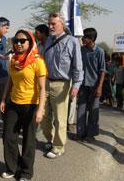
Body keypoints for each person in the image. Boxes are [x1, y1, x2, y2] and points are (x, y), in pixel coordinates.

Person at [0, 30, 46, 181]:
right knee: (8, 136)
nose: (18, 44)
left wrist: (40, 109)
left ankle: (26, 172)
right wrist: (3, 99)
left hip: (31, 105)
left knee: (28, 140)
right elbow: (10, 81)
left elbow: (42, 88)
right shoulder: (14, 60)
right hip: (14, 103)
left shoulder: (37, 61)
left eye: (22, 41)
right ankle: (13, 167)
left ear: (30, 42)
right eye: (16, 41)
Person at [41, 12, 83, 159]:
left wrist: (76, 85)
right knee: (44, 115)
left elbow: (78, 66)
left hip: (62, 84)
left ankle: (58, 147)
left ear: (62, 25)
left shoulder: (72, 42)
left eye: (54, 24)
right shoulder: (47, 41)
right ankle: (51, 139)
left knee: (60, 117)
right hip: (45, 82)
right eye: (49, 23)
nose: (50, 26)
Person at [77, 28, 105, 141]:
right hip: (82, 85)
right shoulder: (81, 50)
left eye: (85, 37)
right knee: (81, 109)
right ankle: (80, 133)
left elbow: (102, 70)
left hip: (94, 85)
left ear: (91, 39)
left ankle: (91, 134)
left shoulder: (99, 51)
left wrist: (100, 87)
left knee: (94, 111)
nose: (82, 39)